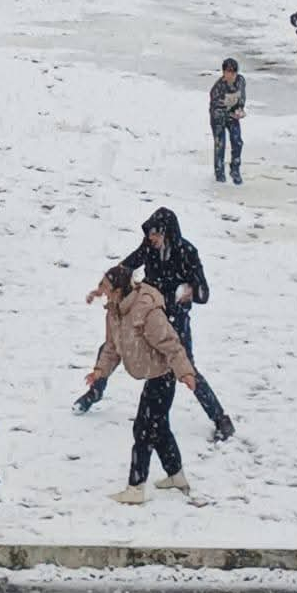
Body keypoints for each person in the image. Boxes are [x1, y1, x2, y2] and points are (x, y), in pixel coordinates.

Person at [74, 208, 234, 441]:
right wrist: (102, 288)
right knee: (111, 348)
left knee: (186, 365)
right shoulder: (148, 246)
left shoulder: (187, 252)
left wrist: (190, 291)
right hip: (143, 312)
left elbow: (204, 293)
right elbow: (125, 268)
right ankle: (94, 392)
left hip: (172, 318)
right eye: (150, 236)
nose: (152, 241)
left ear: (168, 233)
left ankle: (220, 419)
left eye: (156, 236)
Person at [85, 264, 199, 505]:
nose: (102, 290)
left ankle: (136, 487)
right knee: (159, 428)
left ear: (118, 289)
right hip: (152, 375)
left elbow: (171, 343)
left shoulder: (145, 310)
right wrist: (99, 371)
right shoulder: (115, 311)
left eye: (106, 286)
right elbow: (112, 347)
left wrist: (185, 373)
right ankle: (176, 476)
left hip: (165, 375)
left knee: (144, 429)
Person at [209, 58, 247, 185]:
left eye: (233, 73)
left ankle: (235, 168)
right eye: (228, 72)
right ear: (224, 73)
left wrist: (240, 108)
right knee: (220, 144)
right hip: (218, 116)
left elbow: (242, 97)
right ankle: (219, 172)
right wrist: (227, 111)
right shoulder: (217, 88)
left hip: (233, 116)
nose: (231, 75)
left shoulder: (240, 81)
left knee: (237, 142)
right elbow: (215, 106)